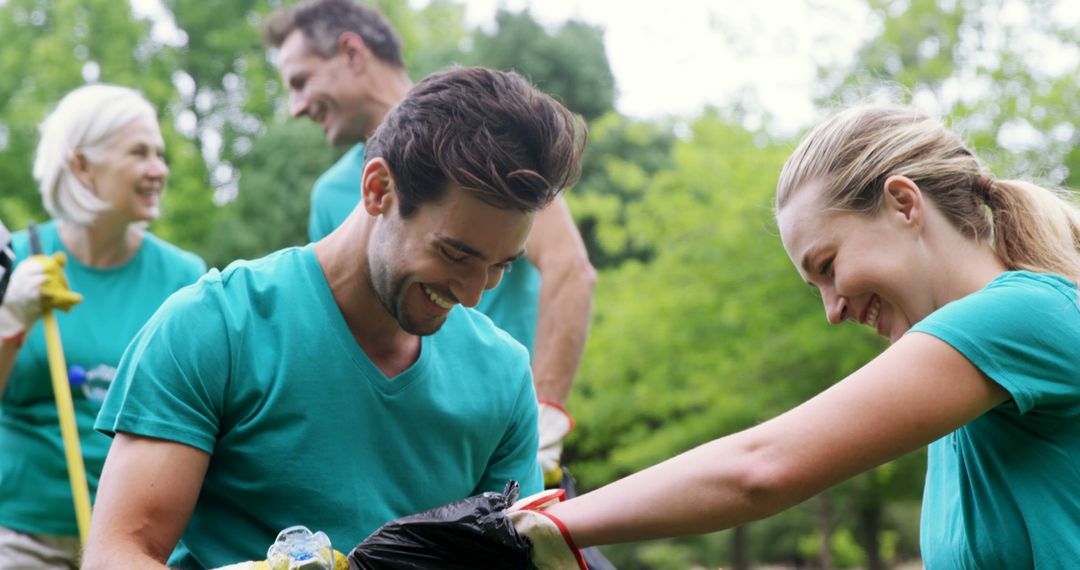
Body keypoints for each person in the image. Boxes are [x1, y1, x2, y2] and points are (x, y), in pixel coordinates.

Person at [361, 103, 1080, 569]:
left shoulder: (1022, 318)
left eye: (828, 267)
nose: (831, 309)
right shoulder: (967, 399)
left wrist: (534, 528)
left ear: (902, 203)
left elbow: (761, 468)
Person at [81, 66, 587, 569]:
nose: (474, 295)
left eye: (499, 266)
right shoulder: (216, 326)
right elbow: (117, 555)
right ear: (378, 189)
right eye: (456, 255)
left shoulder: (501, 373)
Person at [263, 0, 597, 487]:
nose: (296, 106)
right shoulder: (331, 196)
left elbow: (570, 271)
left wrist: (542, 416)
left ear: (351, 51)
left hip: (493, 440)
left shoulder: (489, 147)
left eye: (301, 80)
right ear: (376, 190)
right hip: (398, 451)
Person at [0, 84, 206, 569]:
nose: (159, 169)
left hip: (141, 541)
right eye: (139, 153)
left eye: (159, 153)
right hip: (23, 536)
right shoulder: (18, 258)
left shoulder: (185, 278)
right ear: (81, 167)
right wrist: (11, 318)